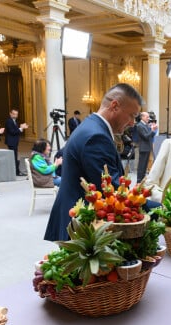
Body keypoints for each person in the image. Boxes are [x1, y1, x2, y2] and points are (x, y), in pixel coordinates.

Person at [44, 83, 142, 242]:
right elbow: (114, 193)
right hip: (82, 228)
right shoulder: (97, 137)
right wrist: (160, 209)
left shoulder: (91, 125)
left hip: (76, 220)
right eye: (132, 115)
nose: (132, 123)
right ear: (115, 106)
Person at [4, 108, 29, 176]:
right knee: (14, 157)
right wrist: (21, 128)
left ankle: (16, 171)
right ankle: (16, 172)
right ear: (10, 114)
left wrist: (21, 128)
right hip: (11, 142)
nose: (15, 115)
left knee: (15, 156)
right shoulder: (9, 121)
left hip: (14, 141)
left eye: (16, 114)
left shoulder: (15, 121)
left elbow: (16, 131)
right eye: (14, 114)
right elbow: (12, 132)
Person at [136, 111, 159, 183]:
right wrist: (152, 130)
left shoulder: (145, 125)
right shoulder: (139, 125)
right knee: (141, 166)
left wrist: (153, 130)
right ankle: (139, 181)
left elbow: (150, 136)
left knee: (145, 166)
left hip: (147, 147)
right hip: (143, 148)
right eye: (147, 117)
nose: (148, 118)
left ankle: (142, 181)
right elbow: (146, 136)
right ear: (142, 117)